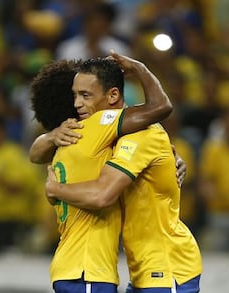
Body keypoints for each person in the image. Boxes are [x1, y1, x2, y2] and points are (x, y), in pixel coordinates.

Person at [35, 55, 202, 292]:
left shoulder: (139, 134)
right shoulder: (100, 139)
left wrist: (55, 189)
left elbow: (102, 195)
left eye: (85, 95)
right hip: (143, 270)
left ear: (112, 95)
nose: (77, 104)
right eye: (75, 96)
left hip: (167, 266)